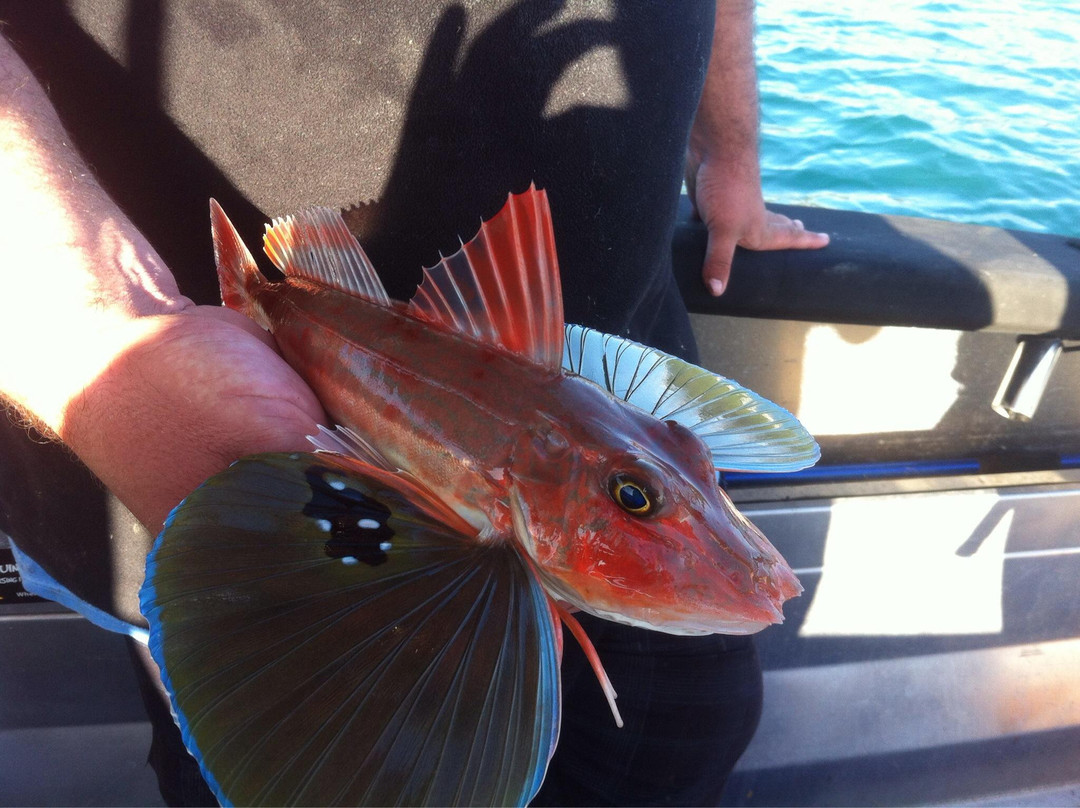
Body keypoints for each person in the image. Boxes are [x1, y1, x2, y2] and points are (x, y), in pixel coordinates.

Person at [0, 2, 827, 804]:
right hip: (197, 444)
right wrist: (101, 330)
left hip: (613, 375)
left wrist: (730, 152)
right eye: (636, 503)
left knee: (675, 751)